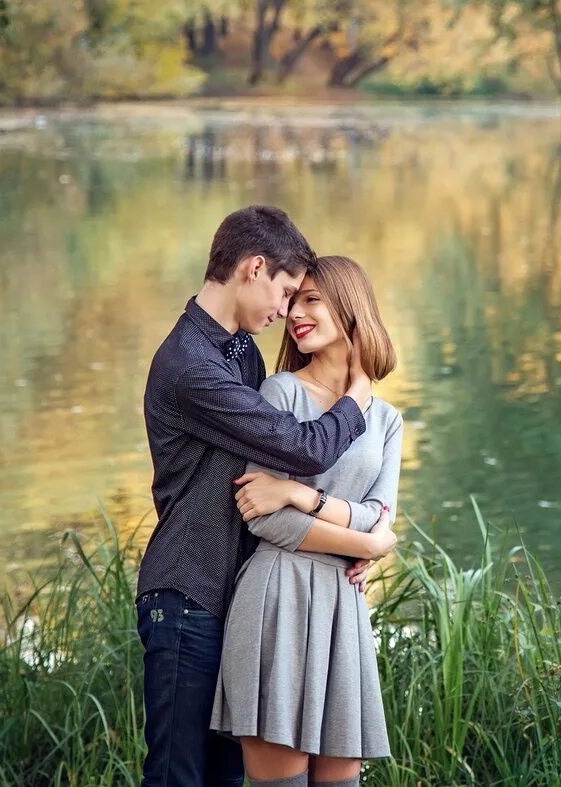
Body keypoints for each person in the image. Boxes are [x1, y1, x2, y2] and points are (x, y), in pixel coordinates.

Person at [137, 207, 391, 787]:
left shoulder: (241, 353)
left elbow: (289, 470)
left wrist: (362, 543)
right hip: (187, 594)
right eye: (283, 292)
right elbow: (301, 448)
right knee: (179, 777)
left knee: (227, 780)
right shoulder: (190, 366)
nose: (285, 312)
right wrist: (356, 393)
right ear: (254, 268)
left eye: (303, 300)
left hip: (238, 598)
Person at [210, 255, 403, 787]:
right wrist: (368, 544)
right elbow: (263, 520)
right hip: (279, 598)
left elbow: (380, 516)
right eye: (293, 300)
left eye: (312, 299)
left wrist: (300, 494)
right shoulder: (281, 393)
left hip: (344, 608)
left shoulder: (386, 420)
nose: (295, 312)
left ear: (350, 306)